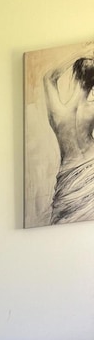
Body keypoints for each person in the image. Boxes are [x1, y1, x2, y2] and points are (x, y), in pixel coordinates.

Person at [43, 54, 94, 223]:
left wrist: (77, 55)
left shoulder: (58, 113)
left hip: (69, 175)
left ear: (75, 75)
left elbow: (49, 76)